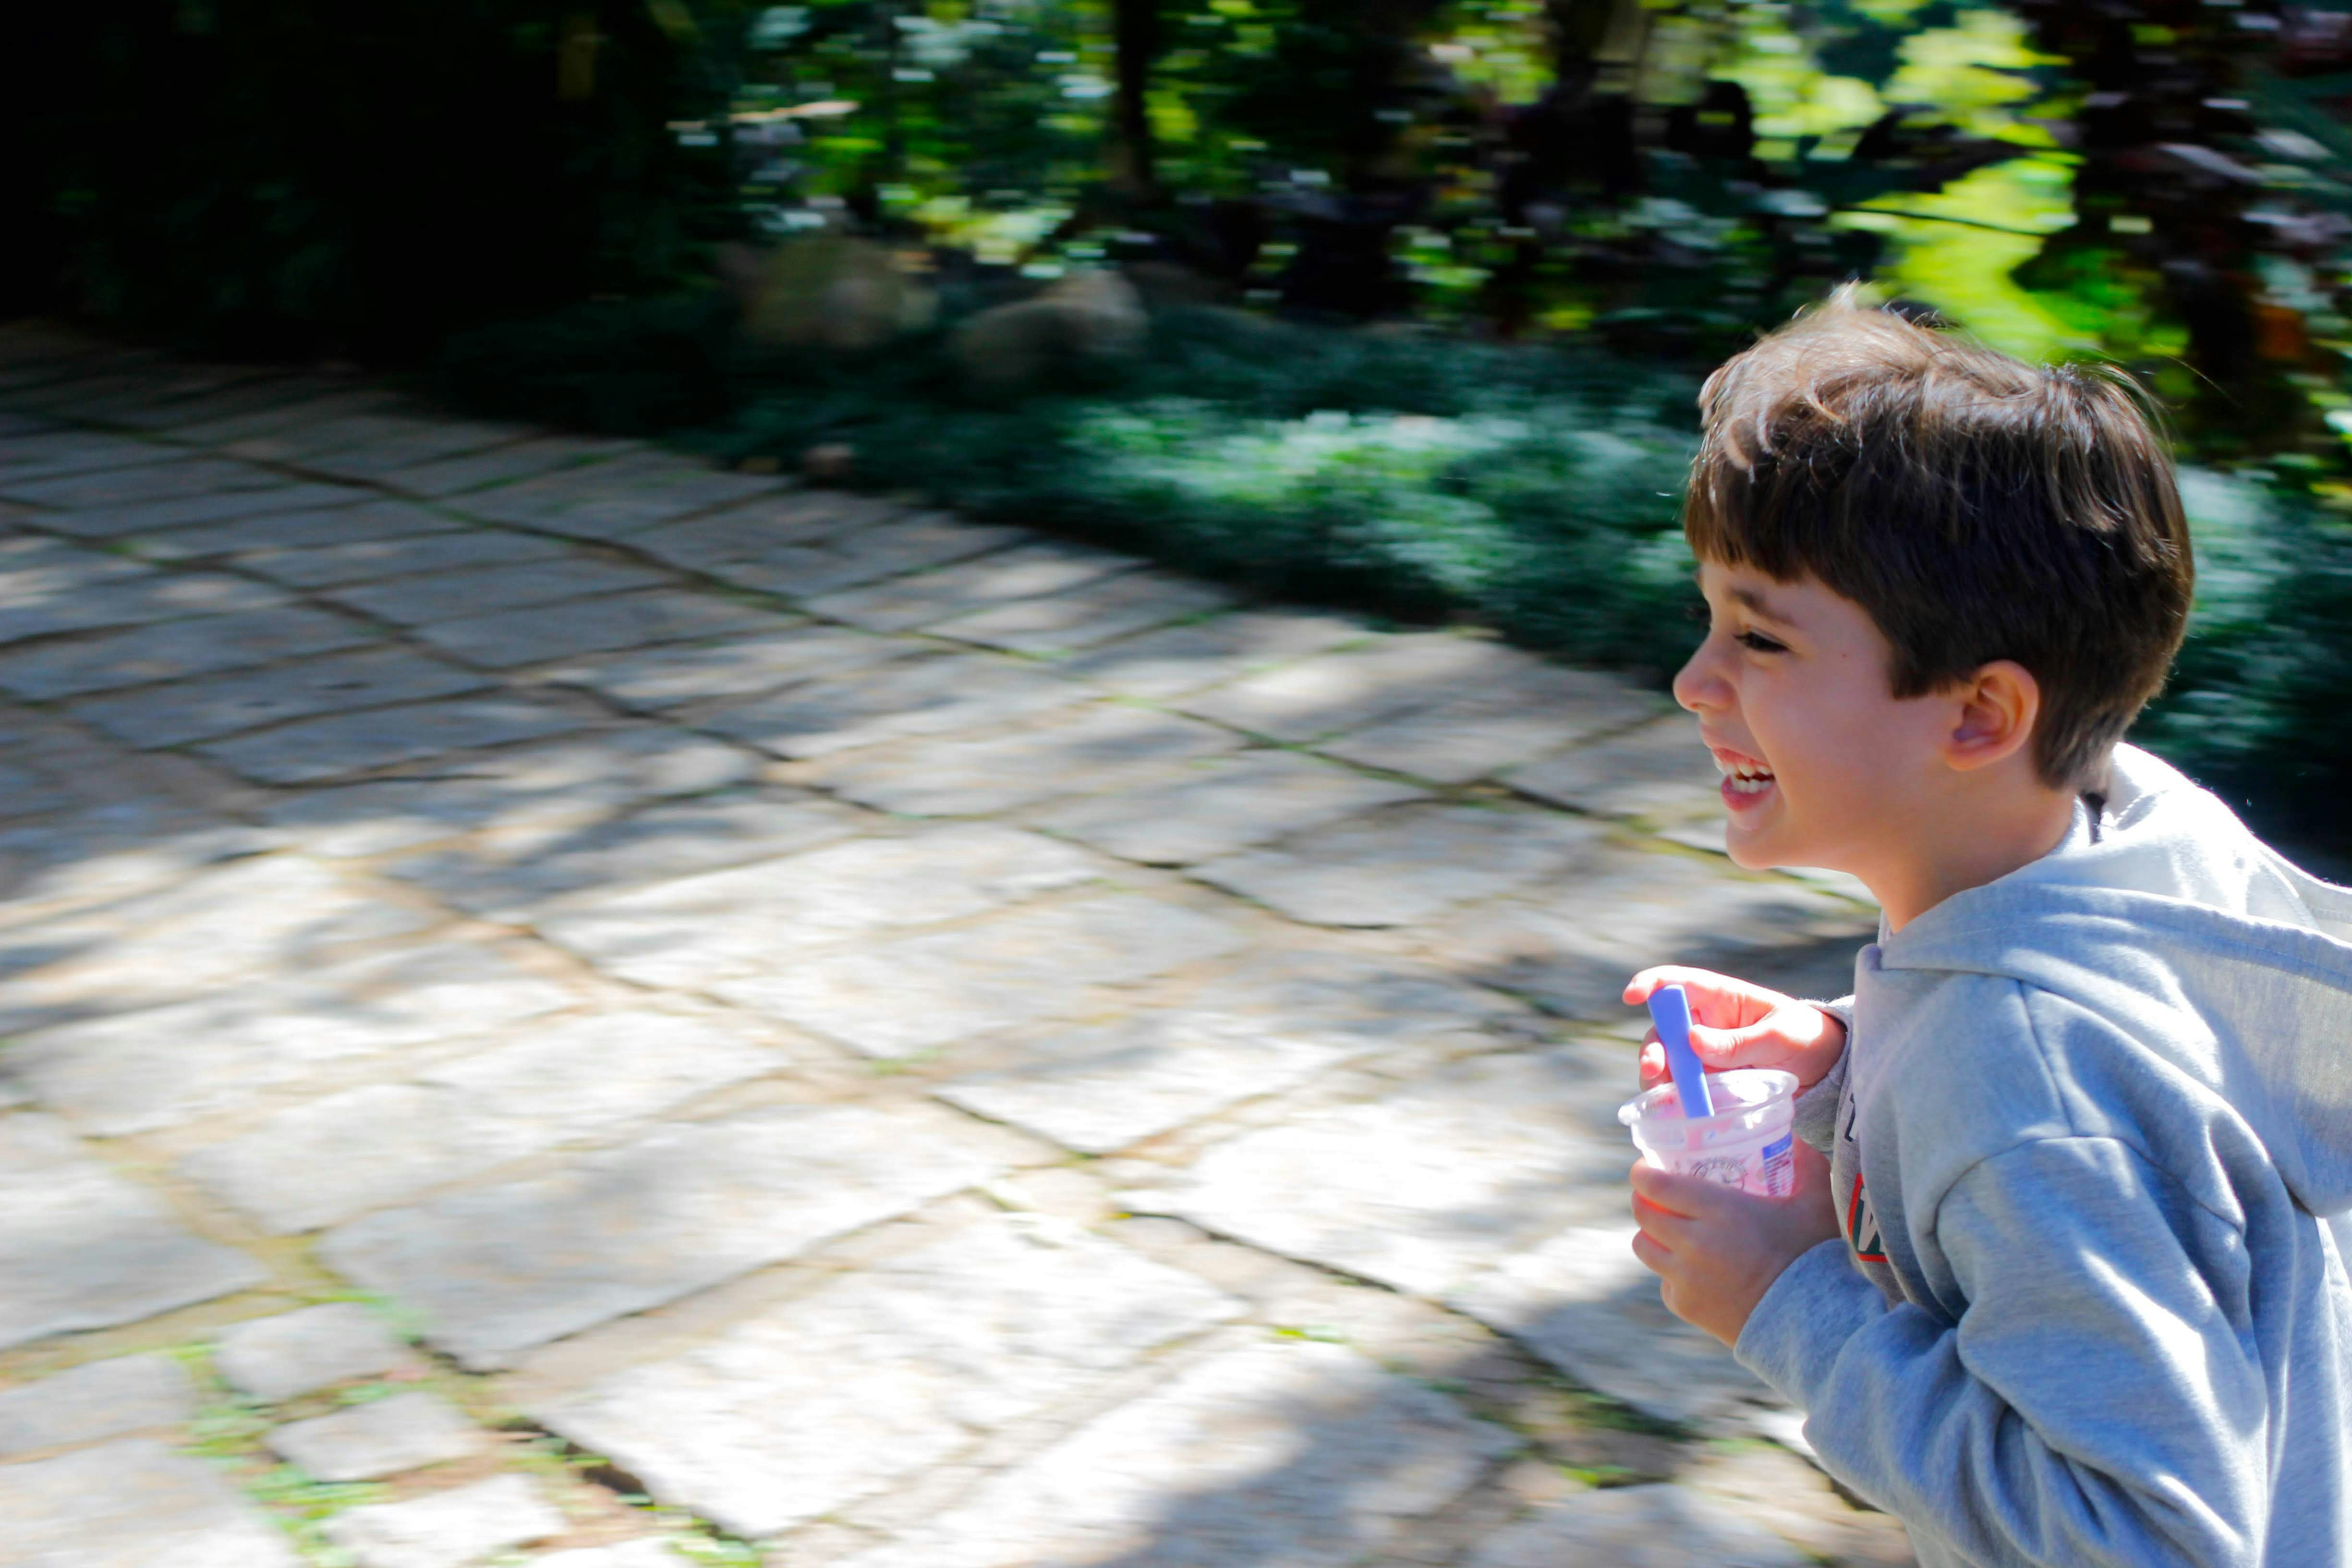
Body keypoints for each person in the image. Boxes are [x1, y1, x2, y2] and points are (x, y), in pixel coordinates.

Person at [1621, 288, 2352, 1567]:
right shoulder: (2136, 828)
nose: (1694, 681)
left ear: (1975, 718)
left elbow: (2149, 1541)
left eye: (1756, 635)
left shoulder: (2019, 1077)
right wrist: (1852, 1051)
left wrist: (1787, 1299)